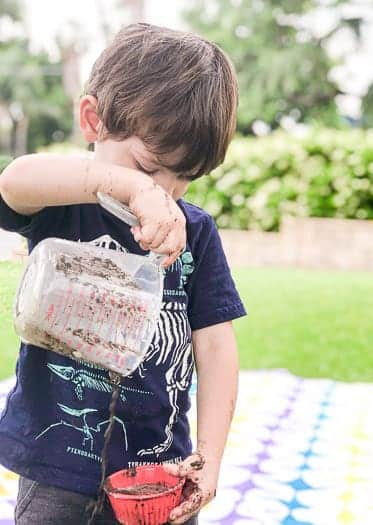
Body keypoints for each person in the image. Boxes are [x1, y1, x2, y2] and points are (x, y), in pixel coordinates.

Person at [0, 23, 246, 525]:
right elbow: (14, 180)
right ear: (93, 120)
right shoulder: (64, 204)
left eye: (186, 176)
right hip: (57, 475)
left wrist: (211, 457)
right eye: (151, 167)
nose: (169, 192)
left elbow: (216, 346)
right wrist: (124, 185)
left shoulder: (194, 232)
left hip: (159, 475)